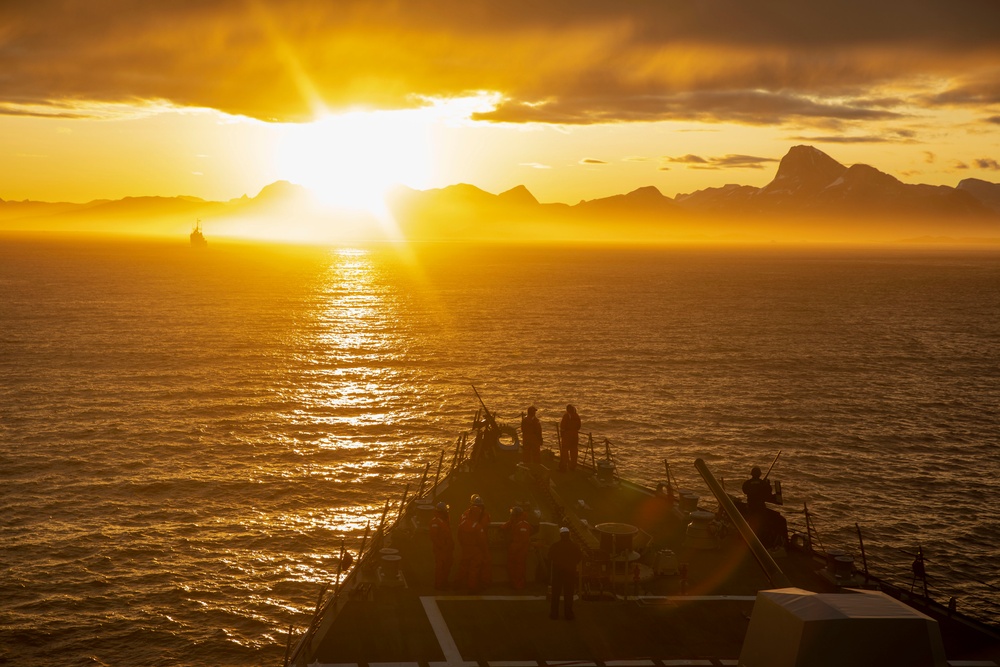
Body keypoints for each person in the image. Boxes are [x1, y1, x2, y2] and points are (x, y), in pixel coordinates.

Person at [457, 494, 491, 591]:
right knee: (475, 568)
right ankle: (474, 586)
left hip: (466, 547)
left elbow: (459, 533)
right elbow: (483, 537)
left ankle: (458, 584)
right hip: (477, 547)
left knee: (464, 566)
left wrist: (462, 544)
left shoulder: (465, 517)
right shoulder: (480, 523)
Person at [548, 526, 582, 619]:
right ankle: (568, 614)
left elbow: (550, 556)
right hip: (570, 572)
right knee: (569, 594)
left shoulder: (555, 545)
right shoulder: (574, 546)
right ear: (569, 535)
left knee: (555, 593)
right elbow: (579, 557)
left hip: (557, 572)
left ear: (560, 535)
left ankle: (554, 614)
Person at [742, 466, 779, 546]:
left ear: (751, 474)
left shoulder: (747, 483)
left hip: (751, 506)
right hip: (760, 507)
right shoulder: (763, 484)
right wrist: (765, 483)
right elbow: (769, 492)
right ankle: (761, 541)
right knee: (761, 524)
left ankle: (750, 540)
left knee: (751, 523)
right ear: (760, 474)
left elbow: (744, 491)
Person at [502, 506, 532, 589]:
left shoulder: (523, 525)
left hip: (519, 551)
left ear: (516, 515)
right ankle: (515, 584)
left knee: (519, 569)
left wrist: (513, 549)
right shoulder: (515, 522)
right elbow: (503, 527)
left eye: (512, 515)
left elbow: (522, 541)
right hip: (515, 550)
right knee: (513, 568)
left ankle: (518, 585)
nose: (511, 516)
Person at [428, 502, 454, 590]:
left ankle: (444, 581)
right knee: (440, 566)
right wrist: (441, 547)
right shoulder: (435, 522)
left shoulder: (444, 520)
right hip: (441, 549)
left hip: (447, 547)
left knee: (447, 565)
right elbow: (434, 537)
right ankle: (439, 584)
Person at [559, 404, 581, 471]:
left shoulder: (566, 416)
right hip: (575, 435)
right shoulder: (576, 416)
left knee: (565, 450)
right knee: (574, 450)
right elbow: (579, 426)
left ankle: (564, 466)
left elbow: (562, 426)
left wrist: (562, 434)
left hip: (567, 435)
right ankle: (573, 466)